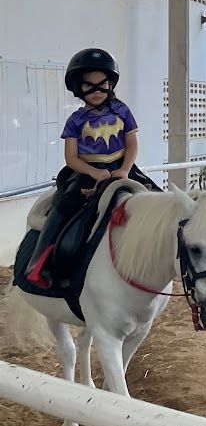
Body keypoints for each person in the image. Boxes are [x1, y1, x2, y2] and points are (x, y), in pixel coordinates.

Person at [28, 47, 155, 288]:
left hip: (123, 167)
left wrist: (125, 169)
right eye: (89, 85)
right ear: (78, 88)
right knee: (63, 207)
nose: (96, 91)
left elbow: (132, 144)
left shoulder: (122, 111)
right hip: (87, 171)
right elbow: (71, 158)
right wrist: (94, 172)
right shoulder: (75, 120)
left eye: (102, 84)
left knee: (156, 198)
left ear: (110, 84)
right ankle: (40, 262)